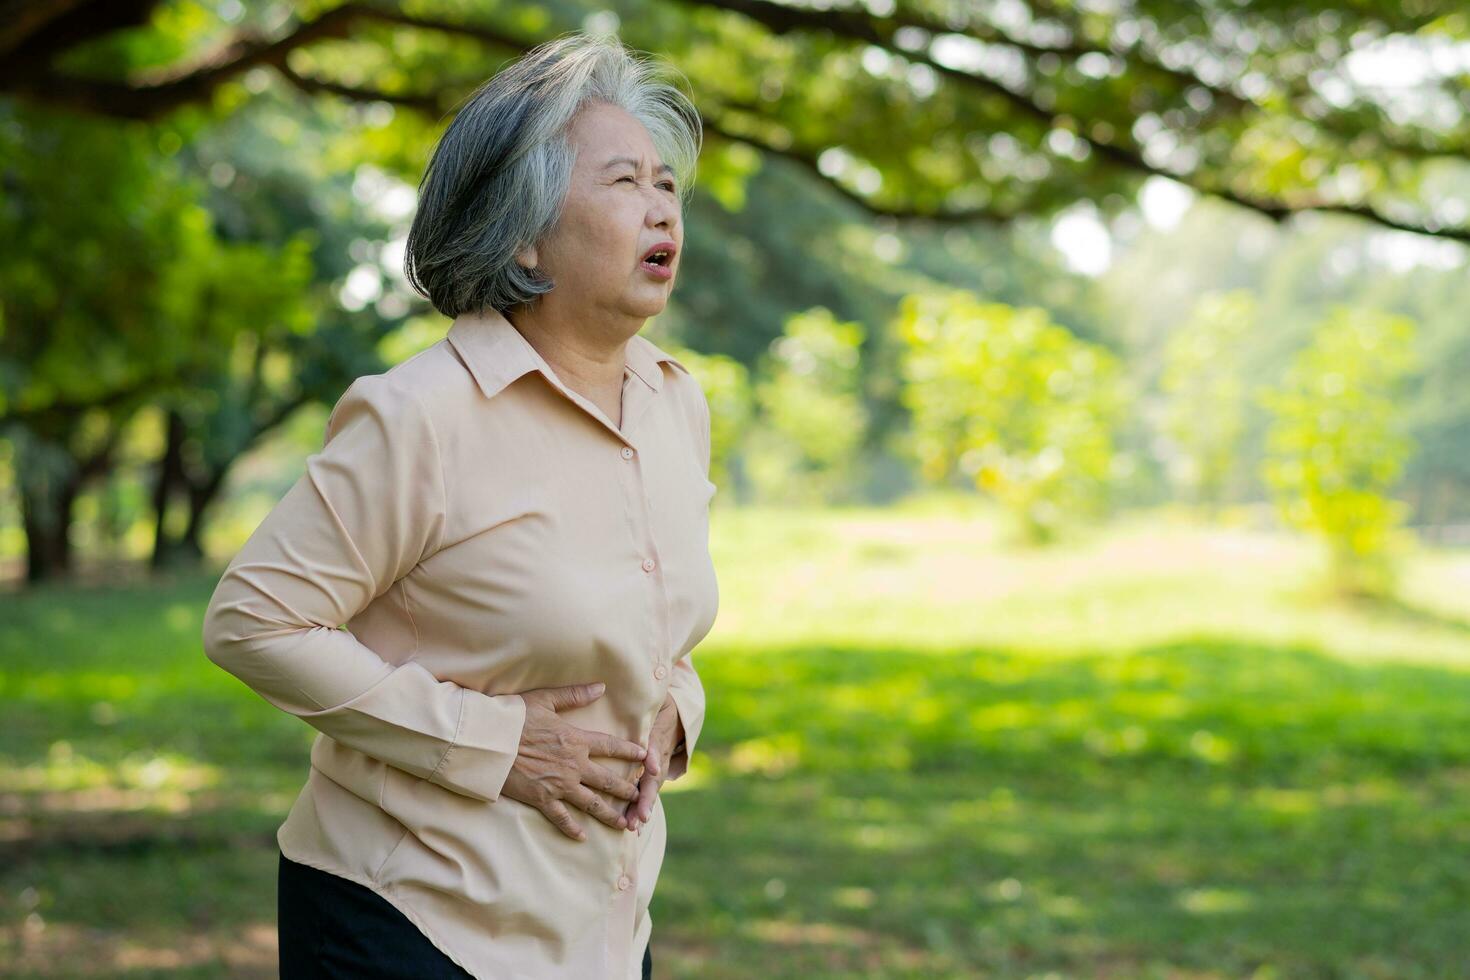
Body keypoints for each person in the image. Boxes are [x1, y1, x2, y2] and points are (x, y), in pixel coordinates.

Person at [201, 31, 717, 979]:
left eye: (666, 184)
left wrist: (674, 709)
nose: (661, 208)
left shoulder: (676, 403)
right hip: (407, 920)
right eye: (623, 183)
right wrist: (495, 746)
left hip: (602, 933)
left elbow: (661, 628)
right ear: (524, 231)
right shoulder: (420, 416)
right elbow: (252, 621)